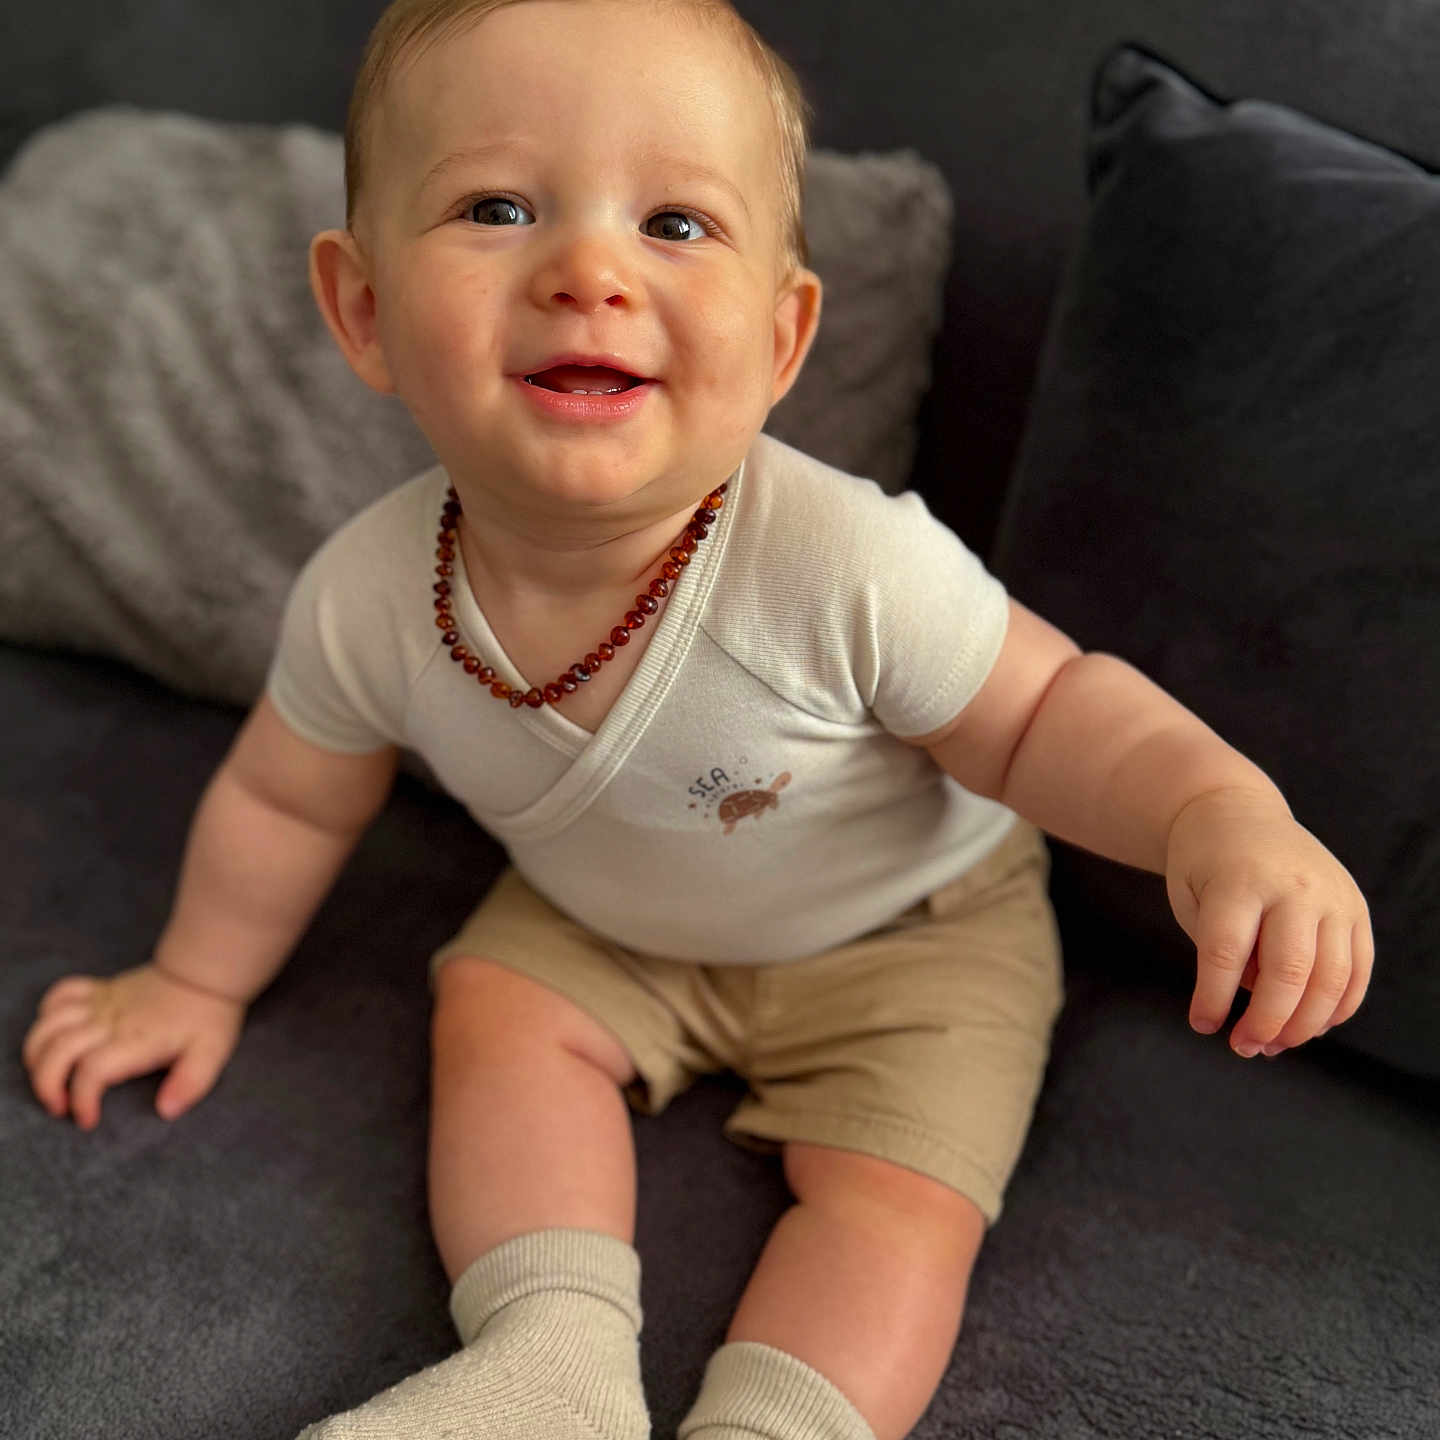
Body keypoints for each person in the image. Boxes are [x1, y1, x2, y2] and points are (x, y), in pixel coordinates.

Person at [20, 1, 1374, 1437]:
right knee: (493, 1008)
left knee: (901, 1198)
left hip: (911, 935)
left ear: (786, 335)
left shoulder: (837, 560)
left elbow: (1047, 714)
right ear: (363, 310)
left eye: (675, 224)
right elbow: (290, 796)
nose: (589, 268)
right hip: (600, 920)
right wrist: (195, 979)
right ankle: (551, 1363)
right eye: (497, 206)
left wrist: (1214, 812)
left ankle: (781, 1425)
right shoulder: (368, 594)